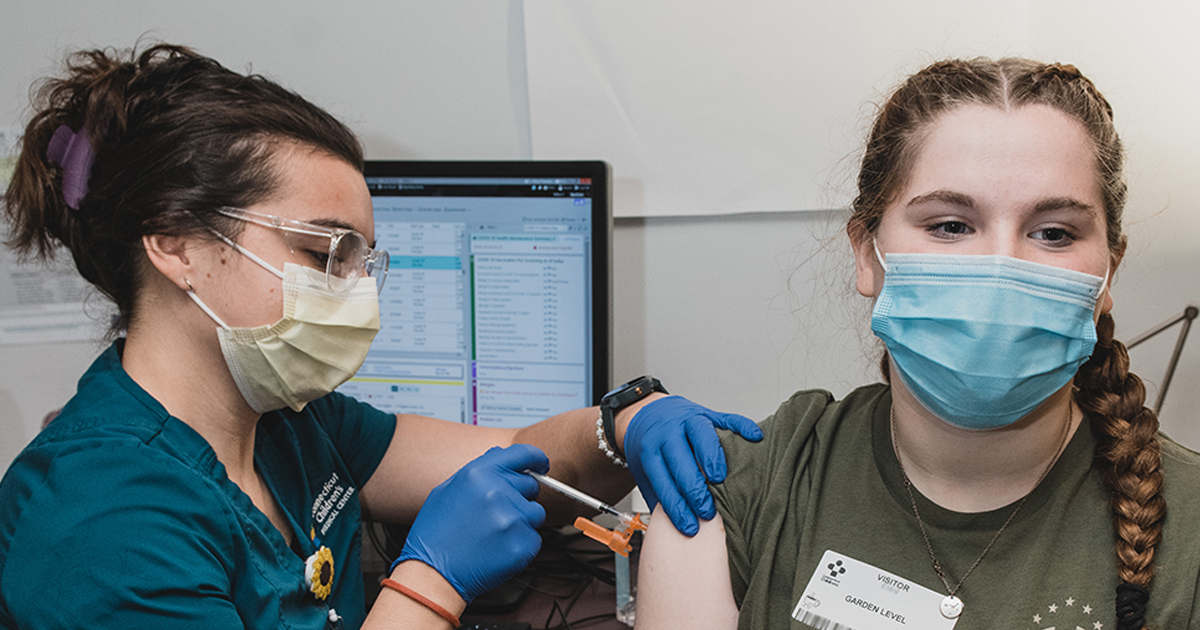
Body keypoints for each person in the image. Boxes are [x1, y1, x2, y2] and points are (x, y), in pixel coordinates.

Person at [0, 44, 761, 629]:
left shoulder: (290, 425)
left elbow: (521, 457)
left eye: (364, 261)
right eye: (325, 252)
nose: (357, 291)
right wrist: (431, 581)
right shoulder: (101, 518)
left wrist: (622, 424)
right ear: (175, 243)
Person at [635, 58, 1200, 630]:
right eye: (950, 226)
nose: (1000, 267)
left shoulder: (1189, 529)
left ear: (1108, 273)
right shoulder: (738, 490)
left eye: (1053, 233)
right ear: (867, 254)